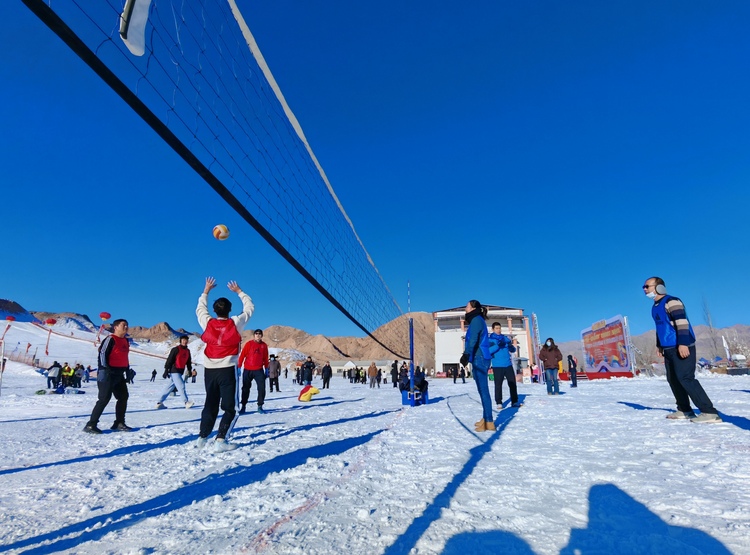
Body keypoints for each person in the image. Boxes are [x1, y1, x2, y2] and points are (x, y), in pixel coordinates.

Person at [643, 277, 721, 423]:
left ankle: (709, 412)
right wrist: (659, 345)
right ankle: (685, 410)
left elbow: (682, 323)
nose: (645, 289)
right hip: (668, 348)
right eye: (644, 287)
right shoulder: (655, 307)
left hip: (682, 346)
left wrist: (683, 344)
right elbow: (661, 327)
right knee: (673, 379)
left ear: (659, 287)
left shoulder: (672, 301)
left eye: (647, 286)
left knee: (686, 378)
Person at [196, 277, 254, 450]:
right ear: (230, 310)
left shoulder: (207, 322)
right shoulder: (235, 322)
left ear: (214, 310)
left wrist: (206, 291)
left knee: (210, 403)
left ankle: (202, 437)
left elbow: (200, 309)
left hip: (210, 370)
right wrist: (239, 292)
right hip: (227, 369)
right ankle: (221, 440)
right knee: (231, 408)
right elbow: (250, 308)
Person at [83, 319, 132, 434]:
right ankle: (91, 425)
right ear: (115, 327)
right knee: (104, 399)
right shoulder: (110, 339)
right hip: (108, 373)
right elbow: (102, 354)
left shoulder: (125, 341)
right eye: (123, 325)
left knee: (123, 397)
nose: (126, 327)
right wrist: (105, 369)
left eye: (127, 325)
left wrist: (127, 370)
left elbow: (124, 357)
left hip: (119, 374)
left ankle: (119, 422)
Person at [460, 300, 494, 432]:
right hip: (478, 357)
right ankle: (486, 418)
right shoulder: (477, 320)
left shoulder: (476, 320)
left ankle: (490, 421)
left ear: (473, 308)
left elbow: (473, 339)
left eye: (467, 306)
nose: (465, 309)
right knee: (481, 390)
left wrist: (466, 354)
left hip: (480, 357)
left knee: (484, 390)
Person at [156, 335, 194, 409]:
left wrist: (189, 370)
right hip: (174, 370)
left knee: (169, 387)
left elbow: (188, 362)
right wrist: (166, 370)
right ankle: (186, 402)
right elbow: (170, 359)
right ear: (180, 341)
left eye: (186, 340)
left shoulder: (187, 351)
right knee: (181, 385)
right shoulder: (176, 349)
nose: (184, 341)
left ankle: (159, 403)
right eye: (183, 340)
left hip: (180, 371)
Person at [489, 322, 520, 409]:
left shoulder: (505, 338)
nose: (498, 330)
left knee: (512, 383)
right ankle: (499, 402)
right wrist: (498, 346)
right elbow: (489, 351)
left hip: (508, 364)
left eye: (499, 328)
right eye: (496, 328)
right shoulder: (490, 340)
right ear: (493, 329)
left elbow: (513, 350)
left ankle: (514, 401)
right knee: (498, 384)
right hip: (497, 365)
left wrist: (511, 346)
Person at [237, 329, 269, 414]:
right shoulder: (249, 344)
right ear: (254, 335)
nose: (258, 335)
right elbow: (242, 355)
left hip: (258, 370)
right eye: (256, 334)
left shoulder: (264, 346)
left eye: (259, 334)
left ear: (262, 335)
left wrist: (266, 368)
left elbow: (265, 358)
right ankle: (243, 406)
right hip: (248, 369)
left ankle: (260, 406)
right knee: (245, 388)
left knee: (261, 388)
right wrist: (239, 367)